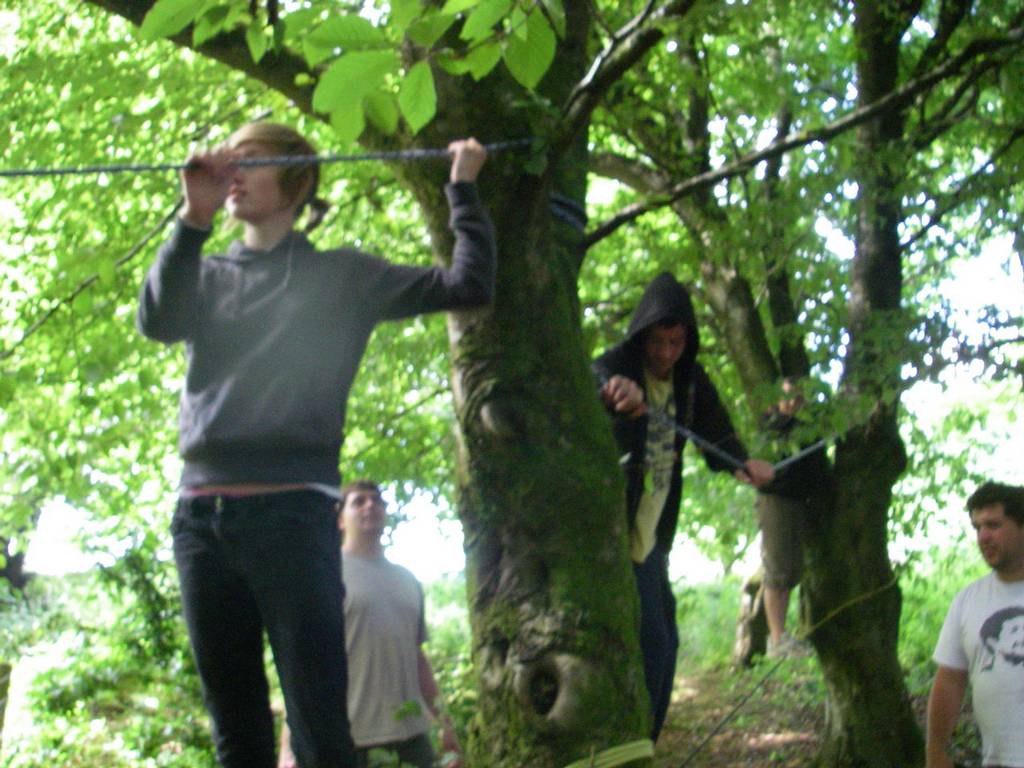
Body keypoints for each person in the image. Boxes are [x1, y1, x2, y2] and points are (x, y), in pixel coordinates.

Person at [136, 122, 494, 768]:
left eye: (252, 162)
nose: (234, 173)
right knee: (236, 736)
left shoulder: (343, 277)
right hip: (200, 523)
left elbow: (468, 285)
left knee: (324, 733)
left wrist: (462, 190)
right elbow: (158, 320)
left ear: (297, 180)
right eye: (229, 163)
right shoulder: (208, 274)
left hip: (294, 519)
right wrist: (193, 215)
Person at [592, 271, 774, 741]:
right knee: (652, 643)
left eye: (675, 343)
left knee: (664, 644)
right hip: (611, 533)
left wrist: (743, 464)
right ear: (641, 336)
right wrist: (614, 393)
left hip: (652, 536)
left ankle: (642, 743)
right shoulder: (614, 364)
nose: (665, 353)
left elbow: (719, 438)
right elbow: (595, 389)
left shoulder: (691, 382)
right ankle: (633, 746)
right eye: (657, 341)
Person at [278, 480, 462, 768]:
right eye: (358, 501)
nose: (370, 506)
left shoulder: (408, 580)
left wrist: (445, 725)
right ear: (340, 520)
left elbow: (417, 658)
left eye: (377, 500)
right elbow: (302, 664)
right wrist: (289, 747)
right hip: (345, 739)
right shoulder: (323, 577)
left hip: (411, 737)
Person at [927, 481, 1024, 768]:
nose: (983, 536)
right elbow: (950, 680)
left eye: (993, 525)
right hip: (997, 759)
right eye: (977, 528)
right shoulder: (968, 600)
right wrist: (935, 752)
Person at [755, 378, 830, 657]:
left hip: (799, 502)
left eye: (800, 399)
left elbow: (818, 464)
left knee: (791, 570)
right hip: (777, 500)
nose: (794, 404)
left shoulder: (809, 428)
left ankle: (781, 636)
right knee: (778, 569)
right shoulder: (772, 425)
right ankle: (776, 638)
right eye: (789, 398)